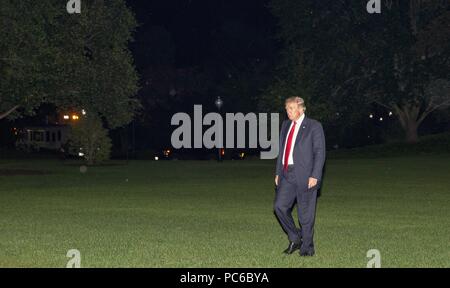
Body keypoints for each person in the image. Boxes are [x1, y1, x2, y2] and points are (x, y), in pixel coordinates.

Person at [274, 96, 326, 257]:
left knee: (305, 215)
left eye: (291, 108)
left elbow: (319, 152)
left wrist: (315, 175)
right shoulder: (285, 125)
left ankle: (307, 248)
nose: (288, 112)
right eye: (287, 109)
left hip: (306, 175)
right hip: (286, 174)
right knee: (279, 207)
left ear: (301, 109)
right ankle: (296, 237)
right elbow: (282, 150)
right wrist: (277, 172)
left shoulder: (314, 126)